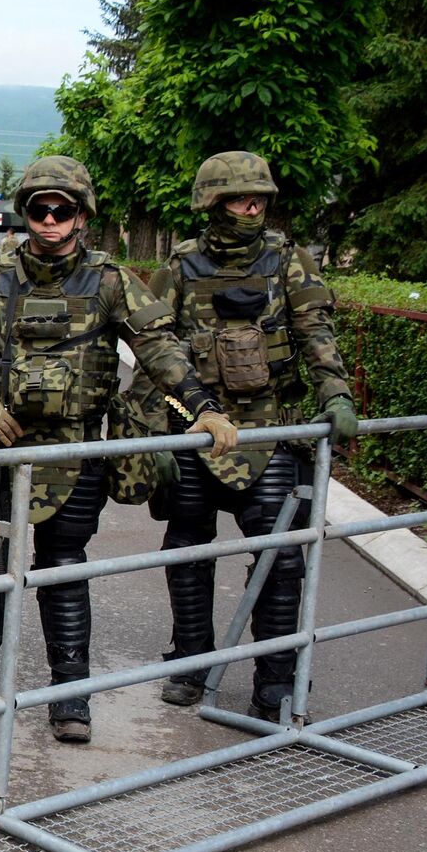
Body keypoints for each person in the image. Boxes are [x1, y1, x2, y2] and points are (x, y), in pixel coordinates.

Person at [0, 156, 236, 743]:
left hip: (75, 451)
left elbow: (159, 348)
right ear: (26, 213)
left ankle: (70, 694)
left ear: (81, 216)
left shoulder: (110, 281)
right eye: (39, 209)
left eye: (60, 210)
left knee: (64, 566)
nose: (48, 220)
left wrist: (204, 406)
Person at [133, 151, 357, 720]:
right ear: (212, 203)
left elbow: (317, 332)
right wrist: (147, 437)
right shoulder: (181, 267)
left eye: (259, 198)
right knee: (187, 553)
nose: (252, 207)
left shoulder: (289, 262)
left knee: (281, 560)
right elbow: (153, 353)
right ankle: (191, 663)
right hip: (194, 431)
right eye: (238, 198)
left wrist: (336, 392)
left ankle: (275, 681)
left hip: (269, 432)